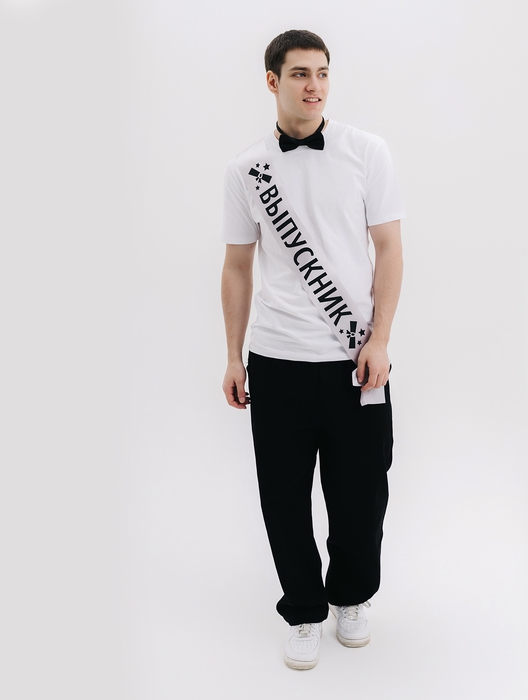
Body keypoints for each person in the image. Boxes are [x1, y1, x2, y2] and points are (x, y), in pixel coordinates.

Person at [220, 29, 405, 670]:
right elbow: (237, 267)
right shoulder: (246, 169)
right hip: (277, 360)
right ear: (273, 81)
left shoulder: (366, 151)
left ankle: (350, 597)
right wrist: (233, 355)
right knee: (283, 496)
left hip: (356, 360)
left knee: (362, 494)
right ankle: (303, 609)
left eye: (322, 73)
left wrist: (381, 339)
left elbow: (390, 249)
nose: (314, 86)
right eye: (300, 74)